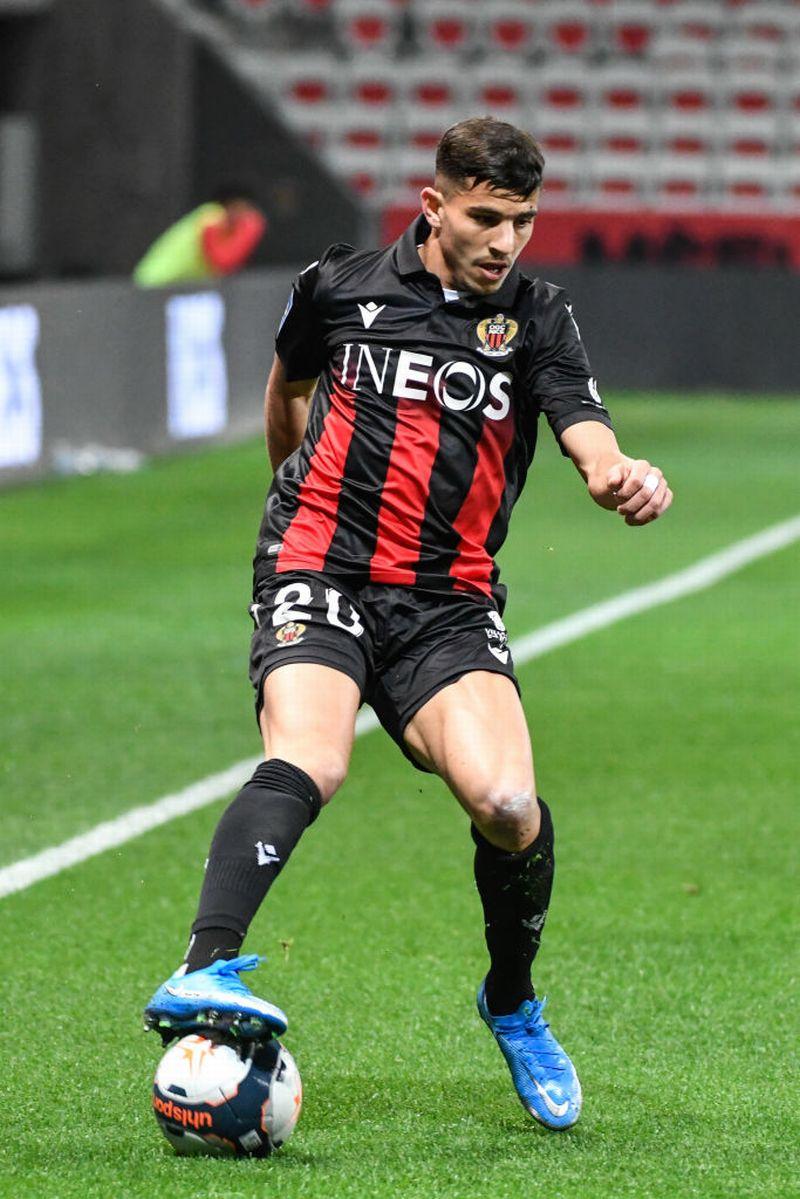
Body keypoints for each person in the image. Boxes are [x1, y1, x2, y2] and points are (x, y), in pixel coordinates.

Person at [144, 117, 672, 1131]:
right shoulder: (338, 285)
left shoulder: (537, 318)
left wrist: (619, 476)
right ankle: (201, 966)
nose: (505, 241)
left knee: (508, 804)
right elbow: (290, 385)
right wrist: (292, 505)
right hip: (321, 565)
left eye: (522, 221)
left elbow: (586, 431)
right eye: (485, 218)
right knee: (313, 755)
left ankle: (510, 999)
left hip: (444, 599)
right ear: (433, 206)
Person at [132, 188, 266, 288]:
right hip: (154, 285)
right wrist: (251, 228)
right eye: (241, 209)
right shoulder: (212, 218)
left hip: (179, 286)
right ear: (231, 206)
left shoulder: (223, 226)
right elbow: (223, 262)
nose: (242, 216)